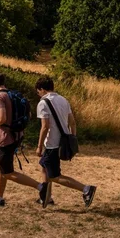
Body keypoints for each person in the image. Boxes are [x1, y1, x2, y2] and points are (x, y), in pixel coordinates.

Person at [0, 71, 44, 207]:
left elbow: (1, 118)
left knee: (8, 172)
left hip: (6, 138)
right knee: (1, 167)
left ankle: (41, 187)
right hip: (16, 134)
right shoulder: (12, 95)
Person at [35, 76, 97, 209]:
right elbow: (72, 122)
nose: (38, 94)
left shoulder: (43, 103)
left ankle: (86, 189)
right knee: (44, 166)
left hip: (52, 143)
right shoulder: (63, 100)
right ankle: (46, 197)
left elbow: (45, 126)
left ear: (41, 89)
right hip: (63, 142)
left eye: (38, 91)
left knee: (55, 176)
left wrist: (39, 146)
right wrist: (72, 138)